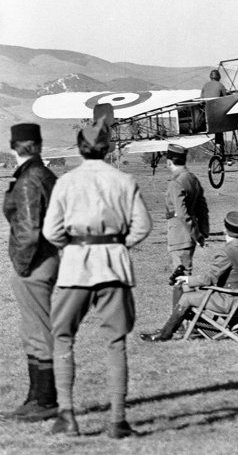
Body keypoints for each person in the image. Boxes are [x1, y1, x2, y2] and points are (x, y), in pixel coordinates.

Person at [42, 106, 152, 438]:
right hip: (113, 267)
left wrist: (74, 247)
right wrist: (117, 246)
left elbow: (51, 232)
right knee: (116, 342)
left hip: (75, 266)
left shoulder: (66, 182)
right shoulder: (124, 179)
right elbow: (143, 226)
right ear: (107, 147)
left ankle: (67, 415)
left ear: (79, 148)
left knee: (62, 336)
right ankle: (117, 421)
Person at [2, 123, 59, 422]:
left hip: (34, 262)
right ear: (38, 145)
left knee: (38, 331)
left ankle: (46, 399)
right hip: (45, 258)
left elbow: (27, 230)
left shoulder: (29, 179)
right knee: (33, 330)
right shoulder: (43, 174)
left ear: (14, 148)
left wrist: (21, 267)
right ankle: (35, 396)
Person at [140, 212, 238, 341]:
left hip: (228, 301)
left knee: (186, 298)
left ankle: (164, 335)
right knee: (194, 293)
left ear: (225, 229)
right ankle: (203, 328)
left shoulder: (226, 251)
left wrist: (187, 279)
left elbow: (209, 279)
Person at [164, 144, 209, 310]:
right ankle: (185, 321)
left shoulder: (176, 183)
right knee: (183, 275)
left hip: (179, 235)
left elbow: (182, 214)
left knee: (181, 278)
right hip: (189, 236)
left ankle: (181, 321)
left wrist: (197, 235)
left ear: (169, 162)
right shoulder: (192, 178)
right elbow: (202, 208)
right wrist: (202, 233)